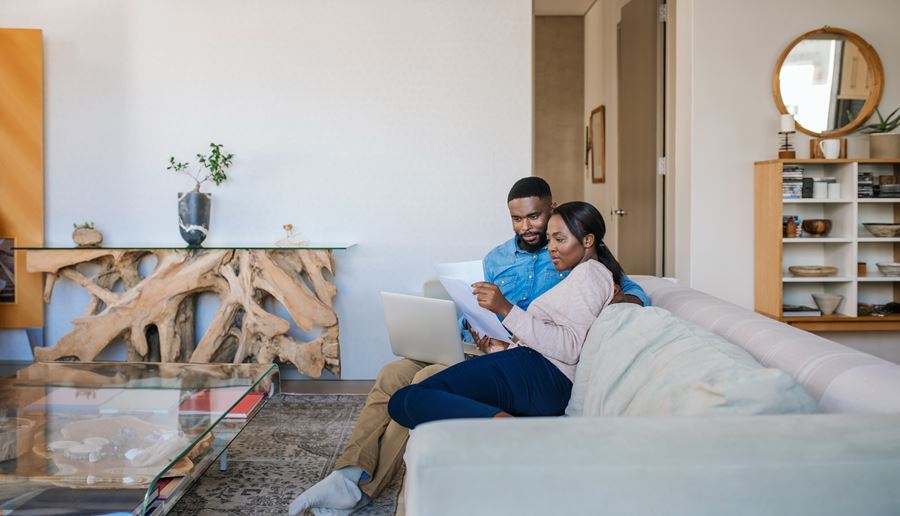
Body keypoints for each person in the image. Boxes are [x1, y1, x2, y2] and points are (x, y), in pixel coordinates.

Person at [288, 179, 647, 515]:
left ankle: (363, 489)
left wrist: (623, 303)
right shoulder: (498, 258)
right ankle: (348, 473)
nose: (528, 228)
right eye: (517, 219)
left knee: (423, 383)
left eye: (535, 217)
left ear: (551, 209)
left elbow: (624, 290)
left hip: (528, 357)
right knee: (391, 373)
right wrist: (470, 325)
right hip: (490, 348)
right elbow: (475, 307)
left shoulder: (577, 260)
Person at [387, 201, 620, 428]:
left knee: (409, 397)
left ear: (588, 240)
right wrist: (505, 348)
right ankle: (502, 428)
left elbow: (569, 347)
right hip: (536, 371)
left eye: (560, 239)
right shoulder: (585, 274)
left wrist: (506, 310)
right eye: (549, 239)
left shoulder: (589, 274)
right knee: (409, 398)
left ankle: (508, 432)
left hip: (543, 376)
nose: (551, 247)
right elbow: (556, 337)